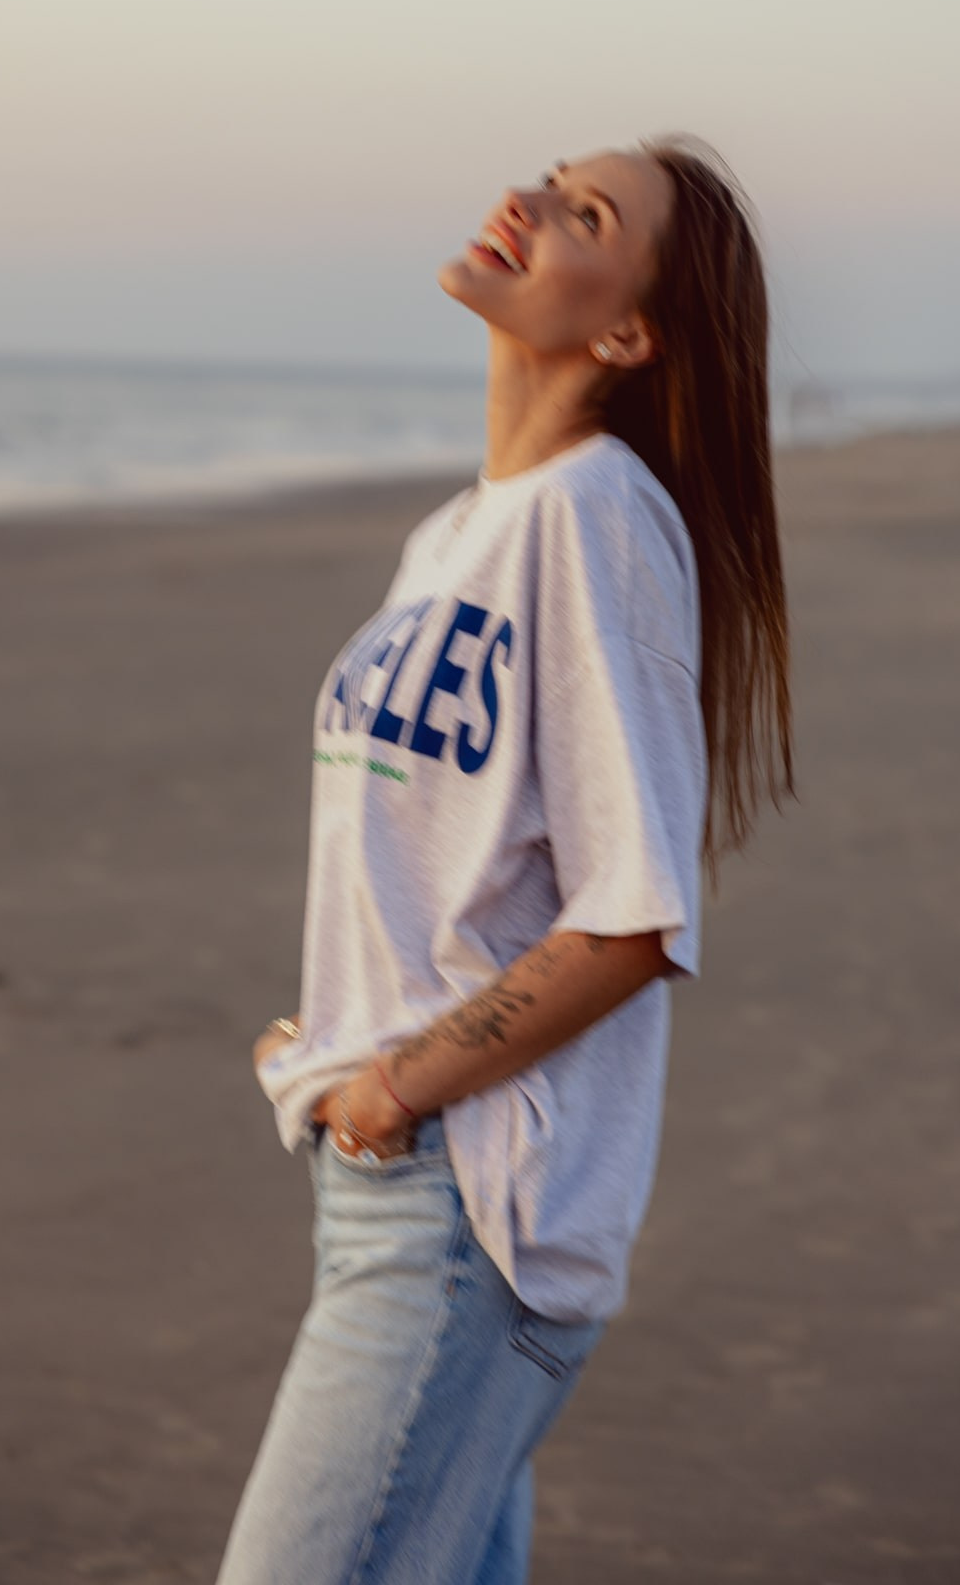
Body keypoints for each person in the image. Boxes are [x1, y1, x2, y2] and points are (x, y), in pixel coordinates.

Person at [215, 137, 795, 1585]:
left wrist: (397, 1086)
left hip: (465, 1217)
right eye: (545, 179)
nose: (527, 203)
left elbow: (635, 918)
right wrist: (340, 1042)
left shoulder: (597, 521)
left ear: (628, 332)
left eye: (584, 213)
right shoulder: (461, 535)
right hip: (393, 1192)